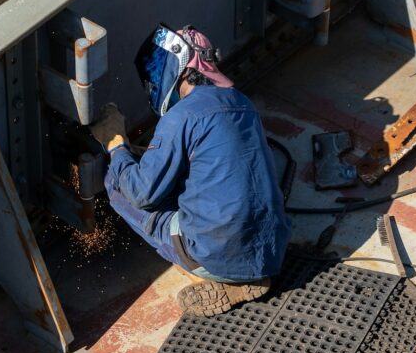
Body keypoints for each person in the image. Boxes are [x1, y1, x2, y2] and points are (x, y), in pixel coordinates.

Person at [89, 24, 290, 316]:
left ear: (180, 66)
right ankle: (242, 269)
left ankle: (221, 280)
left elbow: (142, 193)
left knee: (117, 183)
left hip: (215, 253)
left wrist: (116, 144)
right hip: (273, 248)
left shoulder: (180, 115)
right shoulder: (242, 103)